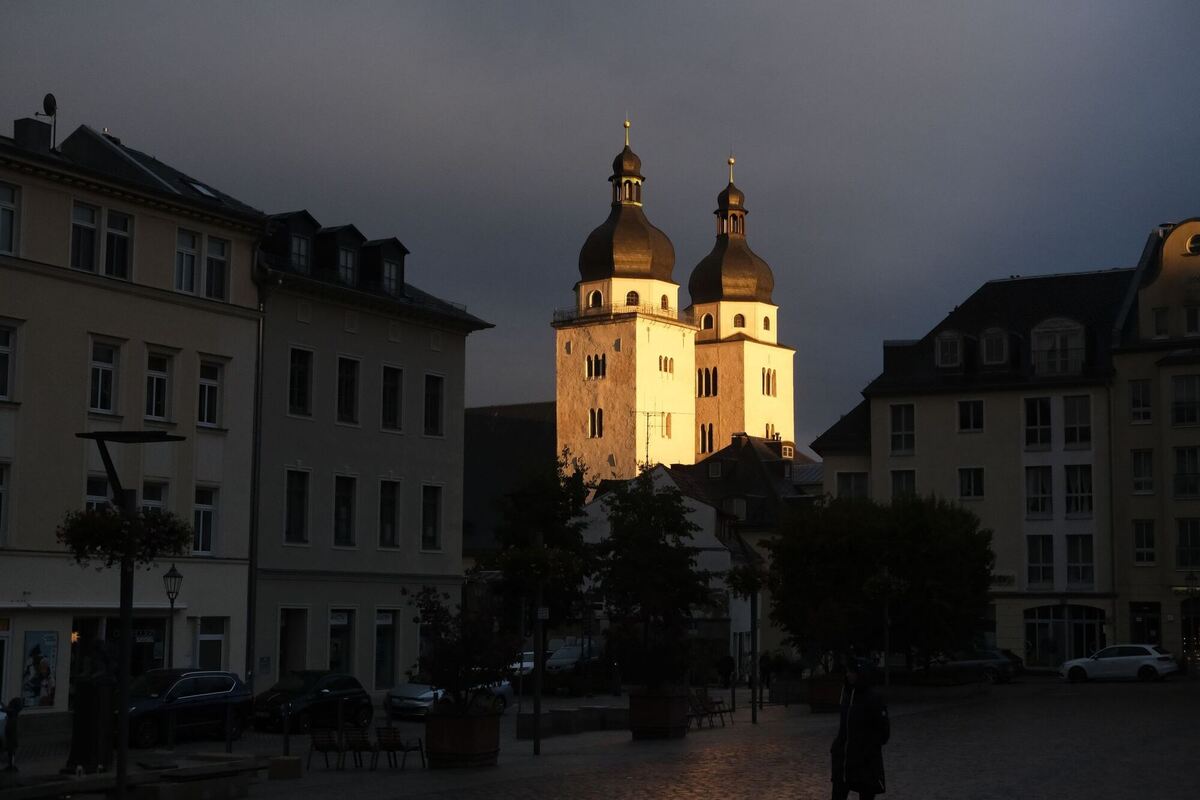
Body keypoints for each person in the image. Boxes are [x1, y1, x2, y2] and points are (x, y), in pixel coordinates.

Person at [830, 657, 889, 799]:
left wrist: (866, 749)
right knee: (838, 793)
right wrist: (837, 747)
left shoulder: (874, 698)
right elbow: (844, 727)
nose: (848, 675)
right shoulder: (846, 695)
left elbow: (883, 733)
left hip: (865, 761)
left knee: (866, 793)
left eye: (852, 672)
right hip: (844, 760)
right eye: (847, 671)